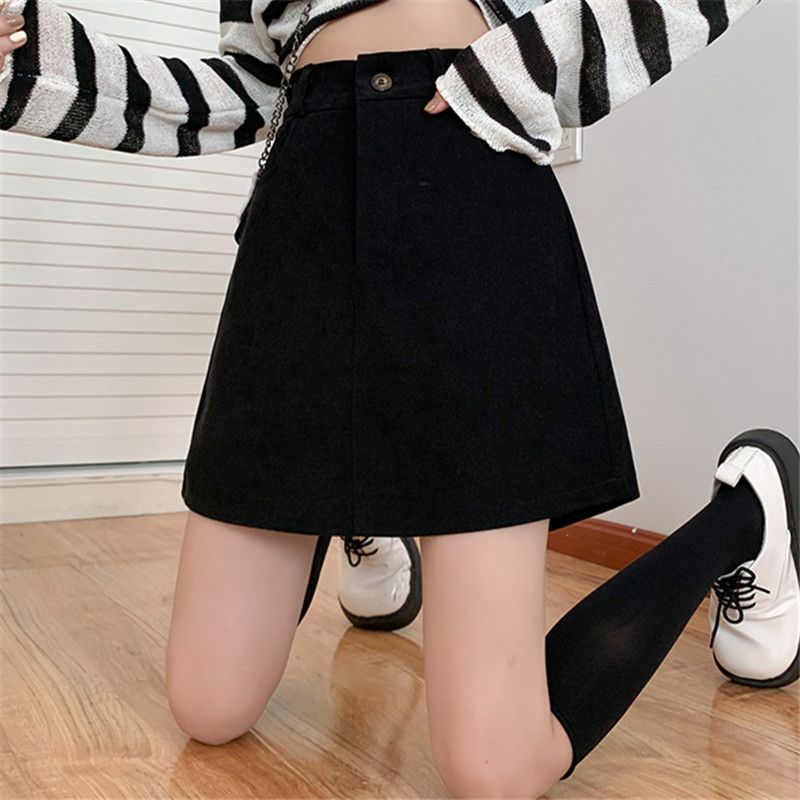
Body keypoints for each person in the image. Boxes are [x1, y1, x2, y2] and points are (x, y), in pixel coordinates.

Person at [1, 1, 796, 797]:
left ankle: (748, 517)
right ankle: (363, 506)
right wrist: (27, 57)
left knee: (495, 772)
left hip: (467, 187)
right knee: (208, 706)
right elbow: (251, 85)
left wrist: (527, 60)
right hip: (300, 221)